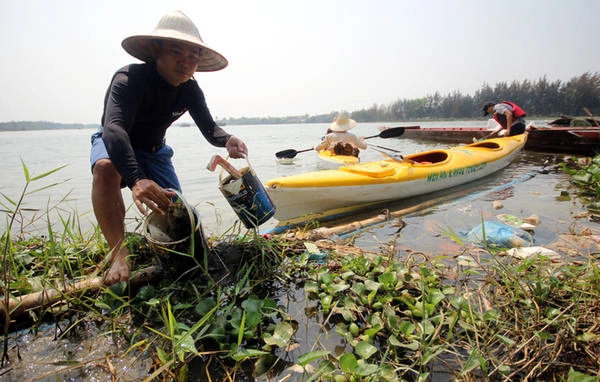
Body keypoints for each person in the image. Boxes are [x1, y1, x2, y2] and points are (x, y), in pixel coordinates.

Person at [90, 10, 248, 286]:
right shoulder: (129, 79)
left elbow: (210, 129)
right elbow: (113, 130)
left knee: (179, 214)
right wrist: (137, 179)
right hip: (117, 144)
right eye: (178, 52)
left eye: (193, 57)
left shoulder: (189, 89)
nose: (186, 63)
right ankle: (118, 253)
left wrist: (227, 140)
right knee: (105, 168)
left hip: (155, 151)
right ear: (156, 49)